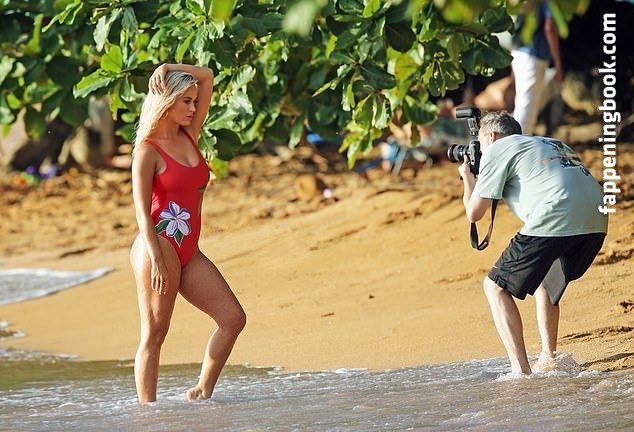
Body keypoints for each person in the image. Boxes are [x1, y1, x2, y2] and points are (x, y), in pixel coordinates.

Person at [130, 63, 246, 402]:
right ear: (166, 101)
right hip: (158, 245)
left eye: (195, 101)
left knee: (233, 318)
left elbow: (207, 75)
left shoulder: (189, 136)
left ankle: (201, 391)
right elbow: (141, 211)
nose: (194, 108)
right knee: (155, 333)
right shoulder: (147, 151)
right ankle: (148, 414)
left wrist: (167, 67)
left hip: (189, 250)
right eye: (186, 101)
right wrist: (156, 259)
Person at [459, 111, 607, 375]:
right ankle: (550, 358)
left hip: (556, 212)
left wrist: (468, 179)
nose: (480, 152)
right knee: (545, 284)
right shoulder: (551, 143)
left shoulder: (498, 148)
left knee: (495, 287)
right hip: (596, 219)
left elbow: (474, 213)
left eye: (480, 145)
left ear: (492, 136)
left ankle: (521, 373)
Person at [511, 1, 563, 135]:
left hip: (519, 51)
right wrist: (558, 62)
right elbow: (549, 27)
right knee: (527, 109)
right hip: (533, 54)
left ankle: (516, 140)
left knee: (526, 105)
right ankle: (516, 144)